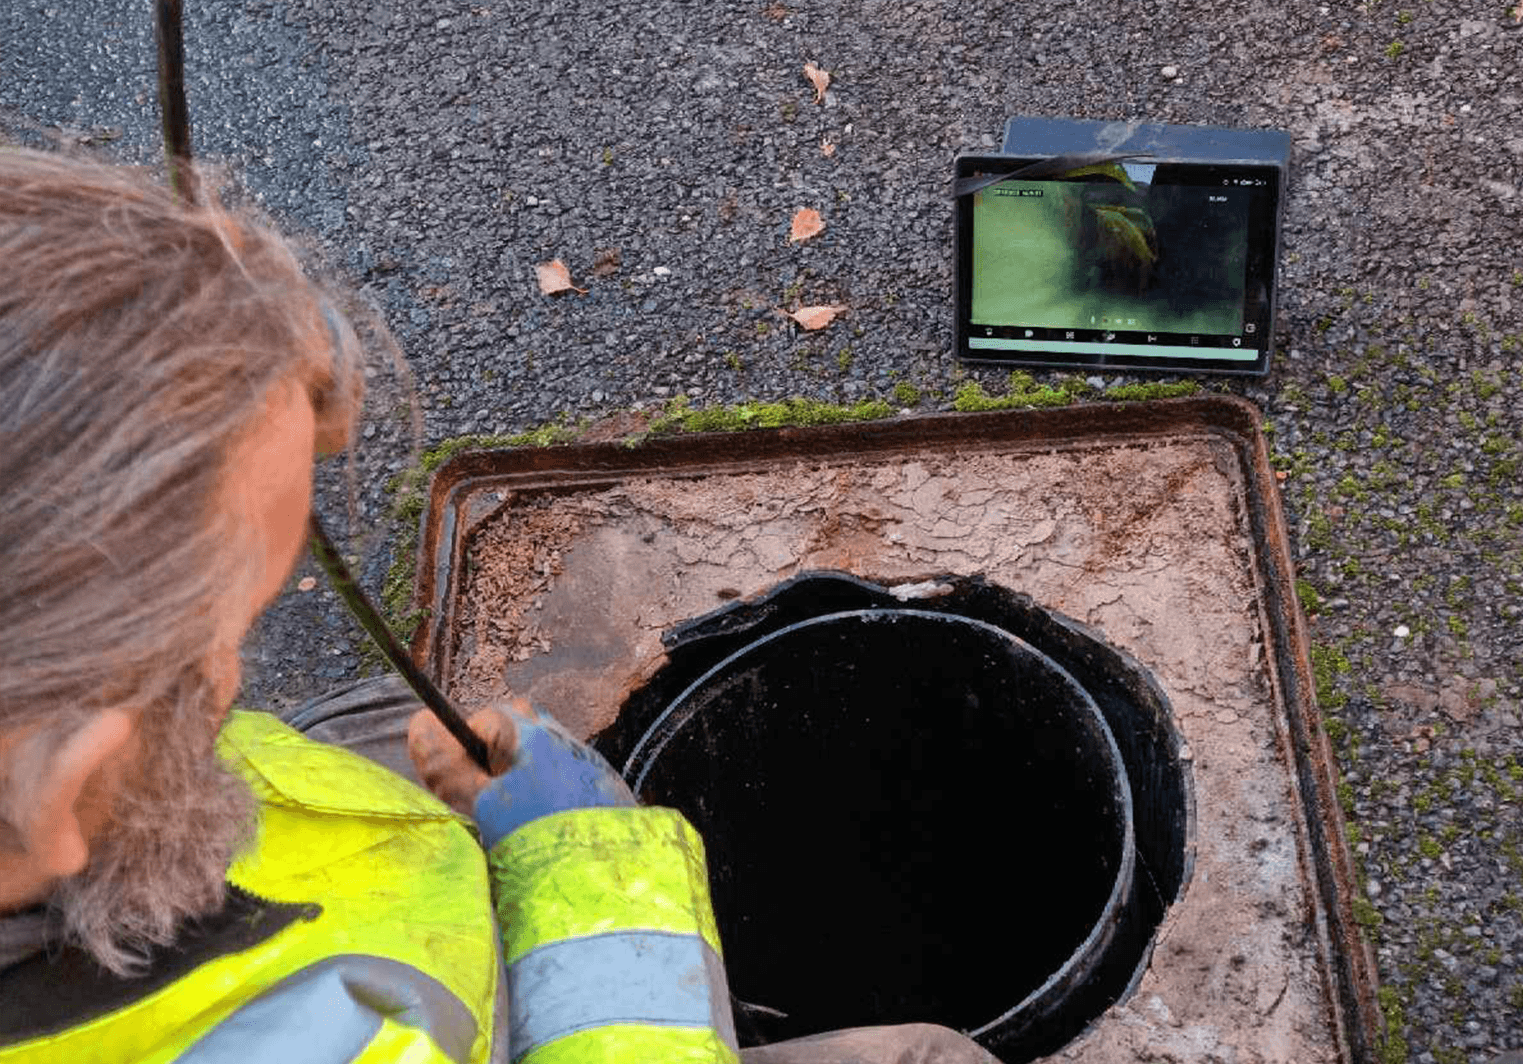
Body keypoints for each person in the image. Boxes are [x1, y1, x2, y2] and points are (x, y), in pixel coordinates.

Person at [0, 145, 997, 1064]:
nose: (238, 686)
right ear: (64, 787)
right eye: (232, 634)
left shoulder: (54, 741)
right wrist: (585, 864)